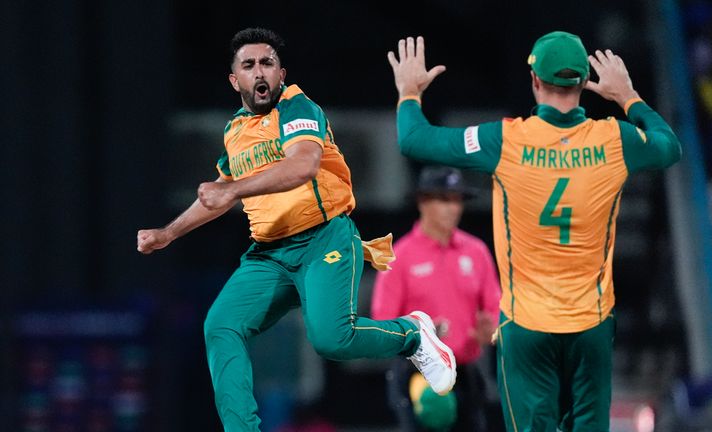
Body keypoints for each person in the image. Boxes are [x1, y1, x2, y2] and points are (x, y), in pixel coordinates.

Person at [136, 27, 456, 432]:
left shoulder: (298, 106)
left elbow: (301, 165)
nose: (260, 73)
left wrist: (231, 189)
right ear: (235, 80)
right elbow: (216, 195)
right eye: (249, 66)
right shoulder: (235, 132)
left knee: (331, 341)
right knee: (221, 325)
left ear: (281, 73)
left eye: (267, 63)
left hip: (323, 239)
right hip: (269, 254)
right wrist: (168, 233)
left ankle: (412, 332)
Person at [386, 32, 682, 431]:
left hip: (527, 328)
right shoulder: (616, 140)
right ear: (582, 83)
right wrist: (628, 96)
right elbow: (669, 146)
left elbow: (413, 140)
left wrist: (409, 93)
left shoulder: (506, 140)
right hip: (589, 327)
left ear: (534, 81)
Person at [371, 165, 500, 431]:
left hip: (465, 370)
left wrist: (492, 330)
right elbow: (382, 323)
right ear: (422, 202)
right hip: (417, 374)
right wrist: (421, 335)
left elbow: (495, 309)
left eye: (456, 200)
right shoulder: (401, 256)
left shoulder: (476, 252)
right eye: (444, 200)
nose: (453, 208)